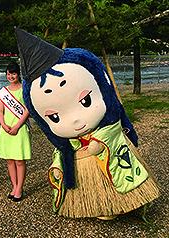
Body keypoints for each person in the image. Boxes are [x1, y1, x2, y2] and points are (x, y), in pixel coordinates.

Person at [16, 28, 159, 219]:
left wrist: (100, 141)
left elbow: (114, 128)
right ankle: (99, 205)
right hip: (80, 156)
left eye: (86, 101)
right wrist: (59, 169)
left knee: (122, 172)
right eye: (54, 117)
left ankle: (129, 201)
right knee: (89, 183)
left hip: (105, 143)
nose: (76, 121)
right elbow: (60, 153)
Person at [0, 62, 31, 202]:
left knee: (20, 160)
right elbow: (0, 110)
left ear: (18, 74)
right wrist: (3, 124)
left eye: (13, 74)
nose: (11, 76)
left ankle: (20, 188)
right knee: (10, 160)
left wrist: (17, 126)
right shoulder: (4, 91)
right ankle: (14, 186)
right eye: (8, 74)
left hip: (20, 128)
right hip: (6, 128)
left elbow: (27, 110)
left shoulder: (24, 89)